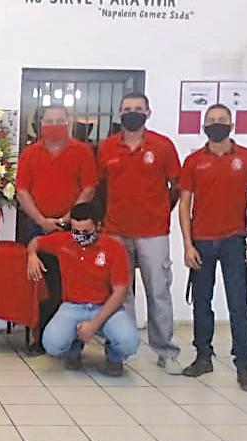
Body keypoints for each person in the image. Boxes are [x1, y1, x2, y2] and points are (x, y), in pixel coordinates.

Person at [177, 104, 247, 392]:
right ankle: (203, 356)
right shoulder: (193, 161)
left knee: (238, 303)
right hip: (202, 241)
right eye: (211, 120)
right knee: (202, 302)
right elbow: (184, 204)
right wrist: (187, 244)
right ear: (204, 126)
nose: (216, 124)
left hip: (233, 241)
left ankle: (245, 365)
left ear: (232, 125)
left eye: (222, 120)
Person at [97, 92, 183, 374]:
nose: (132, 112)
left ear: (148, 112)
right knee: (120, 292)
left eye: (138, 108)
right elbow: (101, 187)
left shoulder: (163, 146)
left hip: (153, 231)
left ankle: (165, 351)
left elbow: (177, 185)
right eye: (127, 109)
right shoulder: (108, 147)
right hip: (115, 230)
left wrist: (161, 210)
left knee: (158, 291)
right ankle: (123, 347)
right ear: (119, 113)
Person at [16, 104, 97, 355]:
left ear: (69, 122)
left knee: (71, 283)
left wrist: (67, 218)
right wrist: (41, 220)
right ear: (41, 125)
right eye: (49, 121)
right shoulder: (30, 153)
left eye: (59, 120)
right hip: (37, 227)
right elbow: (22, 191)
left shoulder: (82, 152)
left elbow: (89, 188)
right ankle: (41, 337)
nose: (54, 125)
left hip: (73, 227)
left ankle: (73, 340)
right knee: (40, 284)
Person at [27, 203, 140, 376]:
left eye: (86, 232)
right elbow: (35, 242)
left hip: (105, 306)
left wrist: (94, 325)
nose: (80, 236)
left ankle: (114, 357)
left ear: (98, 226)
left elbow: (120, 293)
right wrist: (32, 256)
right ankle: (73, 349)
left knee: (129, 342)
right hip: (72, 306)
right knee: (52, 344)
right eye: (76, 231)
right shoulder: (64, 241)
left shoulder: (114, 247)